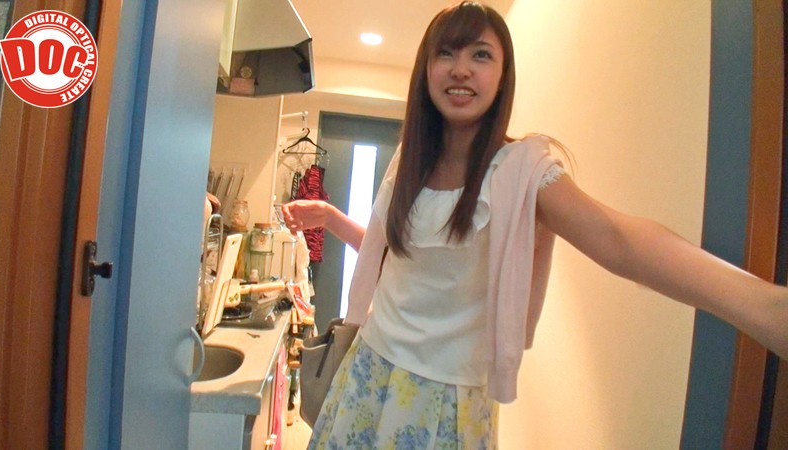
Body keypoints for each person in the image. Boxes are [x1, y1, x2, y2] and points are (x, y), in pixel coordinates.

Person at [282, 2, 788, 447]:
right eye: (446, 53)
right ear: (426, 69)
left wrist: (766, 306)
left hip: (443, 399)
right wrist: (330, 218)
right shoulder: (409, 159)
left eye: (481, 55)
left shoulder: (520, 171)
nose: (461, 68)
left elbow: (618, 240)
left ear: (504, 75)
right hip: (368, 369)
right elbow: (401, 260)